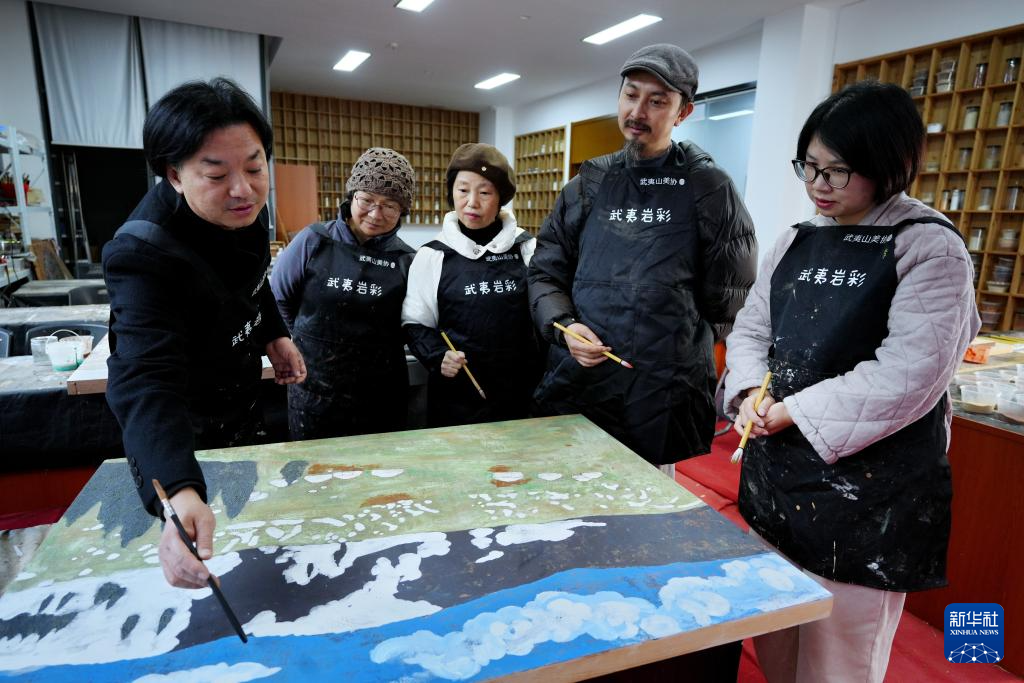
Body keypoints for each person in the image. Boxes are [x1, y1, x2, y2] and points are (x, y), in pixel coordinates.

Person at [724, 81, 981, 683]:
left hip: (868, 494)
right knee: (776, 637)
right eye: (809, 166)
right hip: (779, 476)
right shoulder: (796, 239)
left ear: (888, 166)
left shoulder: (928, 246)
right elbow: (752, 329)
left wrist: (793, 410)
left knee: (839, 660)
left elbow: (909, 372)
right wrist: (749, 392)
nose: (818, 184)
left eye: (837, 171)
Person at [103, 78, 306, 589]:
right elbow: (145, 379)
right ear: (174, 174)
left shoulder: (246, 209)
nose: (243, 190)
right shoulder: (141, 253)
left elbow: (251, 282)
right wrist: (176, 490)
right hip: (184, 425)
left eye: (255, 168)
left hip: (243, 400)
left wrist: (274, 333)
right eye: (216, 174)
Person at [528, 44, 757, 477]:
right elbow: (545, 271)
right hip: (582, 376)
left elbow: (730, 294)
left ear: (683, 112)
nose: (638, 111)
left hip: (661, 389)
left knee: (647, 502)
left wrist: (674, 340)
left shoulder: (709, 188)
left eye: (657, 101)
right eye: (631, 95)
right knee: (571, 491)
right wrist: (564, 327)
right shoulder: (587, 184)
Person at [271, 148, 417, 440]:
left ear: (402, 211)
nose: (375, 214)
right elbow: (279, 299)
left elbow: (413, 323)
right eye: (367, 200)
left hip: (380, 396)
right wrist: (305, 341)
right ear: (352, 197)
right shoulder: (313, 241)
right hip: (314, 392)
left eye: (390, 205)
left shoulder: (408, 260)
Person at [403, 143, 542, 427]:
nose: (472, 202)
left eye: (485, 192)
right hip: (457, 396)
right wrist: (438, 356)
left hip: (522, 393)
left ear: (501, 197)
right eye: (463, 190)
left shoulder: (527, 248)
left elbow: (546, 309)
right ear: (451, 193)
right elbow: (415, 323)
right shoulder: (433, 255)